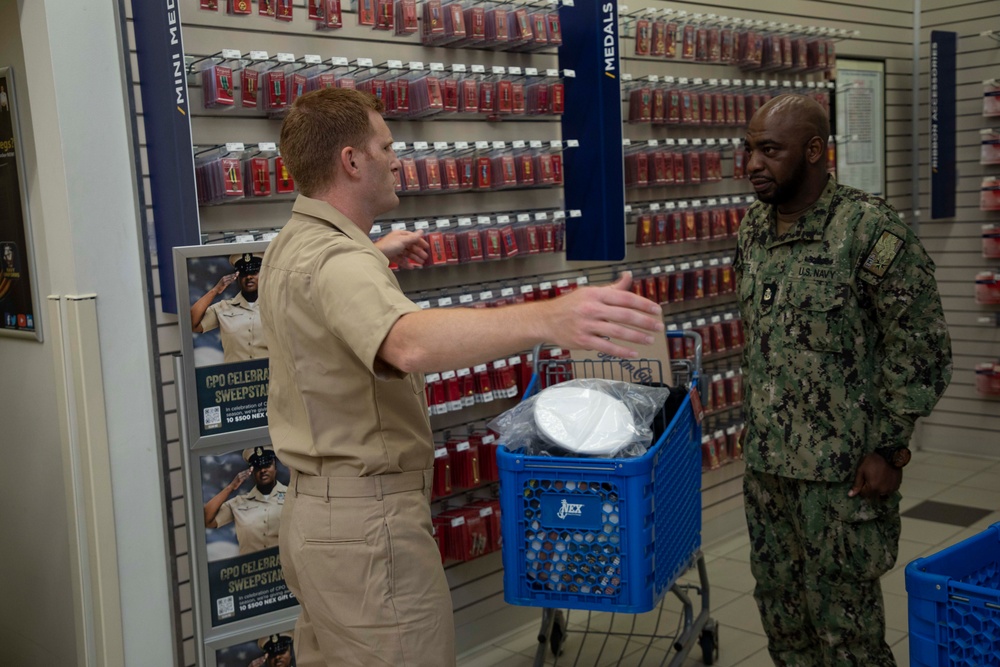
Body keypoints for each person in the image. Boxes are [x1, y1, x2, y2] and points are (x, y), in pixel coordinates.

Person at [258, 87, 665, 667]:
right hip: (369, 528)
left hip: (316, 520)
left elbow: (325, 297)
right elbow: (409, 343)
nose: (397, 159)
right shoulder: (340, 263)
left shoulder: (294, 245)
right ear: (352, 161)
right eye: (385, 146)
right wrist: (552, 315)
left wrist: (376, 253)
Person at [735, 93, 952, 665]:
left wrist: (891, 447)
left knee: (847, 636)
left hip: (843, 478)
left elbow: (921, 345)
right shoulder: (753, 230)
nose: (752, 163)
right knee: (783, 623)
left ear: (814, 151)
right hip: (767, 471)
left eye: (769, 150)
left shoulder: (867, 231)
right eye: (749, 149)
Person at [203, 446, 287, 555]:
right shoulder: (239, 502)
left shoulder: (291, 495)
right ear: (251, 471)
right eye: (257, 467)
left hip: (284, 567)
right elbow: (207, 519)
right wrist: (230, 487)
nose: (263, 470)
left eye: (267, 465)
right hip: (252, 569)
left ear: (275, 466)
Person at [190, 252, 268, 363]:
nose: (249, 276)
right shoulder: (223, 307)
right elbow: (192, 323)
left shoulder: (273, 305)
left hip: (268, 376)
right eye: (244, 273)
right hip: (236, 376)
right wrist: (215, 290)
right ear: (237, 277)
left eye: (254, 272)